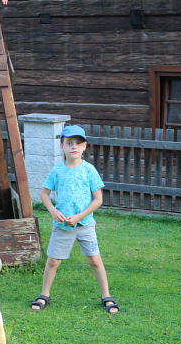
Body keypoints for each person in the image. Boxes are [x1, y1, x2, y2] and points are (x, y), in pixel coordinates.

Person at [29, 125, 120, 314]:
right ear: (62, 146)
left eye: (78, 143)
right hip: (62, 226)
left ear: (84, 146)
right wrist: (53, 211)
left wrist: (79, 216)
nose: (74, 147)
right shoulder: (57, 171)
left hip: (85, 225)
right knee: (53, 262)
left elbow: (98, 200)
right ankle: (44, 294)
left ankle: (106, 296)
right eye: (69, 143)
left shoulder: (89, 171)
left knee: (95, 260)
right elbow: (44, 194)